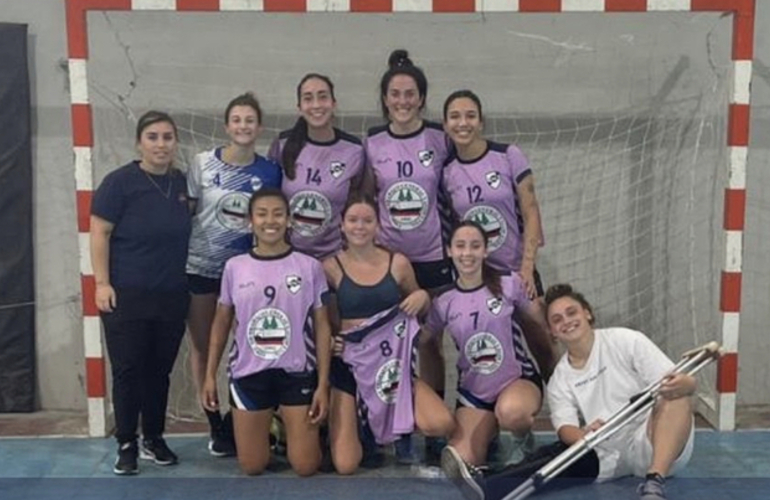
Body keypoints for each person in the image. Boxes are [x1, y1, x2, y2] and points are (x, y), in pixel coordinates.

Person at [441, 283, 696, 500]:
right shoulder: (560, 378)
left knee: (675, 397)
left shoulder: (627, 341)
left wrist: (686, 385)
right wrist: (583, 435)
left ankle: (654, 483)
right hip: (608, 449)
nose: (566, 322)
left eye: (571, 312)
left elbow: (682, 383)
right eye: (557, 320)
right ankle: (488, 485)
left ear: (587, 314)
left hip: (654, 441)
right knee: (556, 455)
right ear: (552, 331)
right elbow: (565, 428)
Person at [201, 188, 331, 477]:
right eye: (261, 214)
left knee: (306, 466)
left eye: (277, 214)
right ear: (250, 221)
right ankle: (271, 425)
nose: (269, 221)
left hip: (296, 374)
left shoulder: (309, 267)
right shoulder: (235, 267)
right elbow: (221, 323)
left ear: (288, 220)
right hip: (249, 374)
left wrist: (323, 383)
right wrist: (210, 375)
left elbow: (322, 326)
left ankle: (292, 430)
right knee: (252, 466)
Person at [323, 194, 455, 474]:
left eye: (367, 220)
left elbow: (419, 300)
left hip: (390, 368)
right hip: (349, 366)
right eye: (353, 220)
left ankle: (399, 428)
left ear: (378, 225)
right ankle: (367, 429)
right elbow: (322, 319)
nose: (360, 226)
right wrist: (330, 342)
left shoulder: (398, 263)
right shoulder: (330, 266)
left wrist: (422, 297)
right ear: (342, 226)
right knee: (346, 466)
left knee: (441, 423)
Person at [90, 111, 191, 475]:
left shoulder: (181, 183)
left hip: (171, 294)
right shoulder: (119, 183)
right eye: (153, 137)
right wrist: (101, 283)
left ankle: (154, 437)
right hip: (126, 295)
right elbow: (99, 233)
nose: (161, 144)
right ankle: (126, 442)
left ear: (175, 142)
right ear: (139, 142)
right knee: (129, 370)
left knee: (159, 372)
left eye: (167, 137)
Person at [364, 49, 453, 461]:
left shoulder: (439, 138)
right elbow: (367, 196)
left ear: (421, 98)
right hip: (388, 261)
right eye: (394, 94)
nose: (402, 101)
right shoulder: (372, 141)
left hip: (433, 256)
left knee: (430, 342)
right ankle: (396, 427)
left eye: (410, 94)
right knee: (391, 346)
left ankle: (436, 427)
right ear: (385, 99)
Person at [186, 92, 283, 456]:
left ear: (259, 127)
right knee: (203, 347)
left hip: (249, 273)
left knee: (248, 345)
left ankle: (246, 417)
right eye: (237, 120)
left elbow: (272, 220)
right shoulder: (202, 164)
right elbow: (190, 213)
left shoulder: (269, 171)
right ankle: (216, 426)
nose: (243, 126)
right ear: (227, 126)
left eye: (250, 120)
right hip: (203, 268)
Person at [441, 89, 556, 380]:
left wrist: (527, 268)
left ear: (481, 122)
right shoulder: (447, 172)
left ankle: (563, 408)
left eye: (470, 116)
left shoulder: (508, 155)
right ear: (445, 125)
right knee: (493, 352)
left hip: (518, 270)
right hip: (481, 278)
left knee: (542, 340)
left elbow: (531, 212)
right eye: (454, 116)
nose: (462, 123)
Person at [425, 221, 545, 470]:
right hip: (474, 393)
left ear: (485, 251)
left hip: (516, 381)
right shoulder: (443, 301)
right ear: (449, 251)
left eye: (475, 246)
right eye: (460, 246)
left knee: (512, 412)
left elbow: (539, 323)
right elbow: (422, 340)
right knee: (463, 461)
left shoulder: (509, 283)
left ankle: (524, 440)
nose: (467, 253)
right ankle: (487, 435)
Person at [268, 73, 365, 260]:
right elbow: (270, 199)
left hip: (334, 257)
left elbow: (359, 198)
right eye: (308, 98)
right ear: (299, 108)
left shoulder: (354, 149)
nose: (316, 105)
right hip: (288, 256)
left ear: (334, 103)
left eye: (323, 97)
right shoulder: (283, 144)